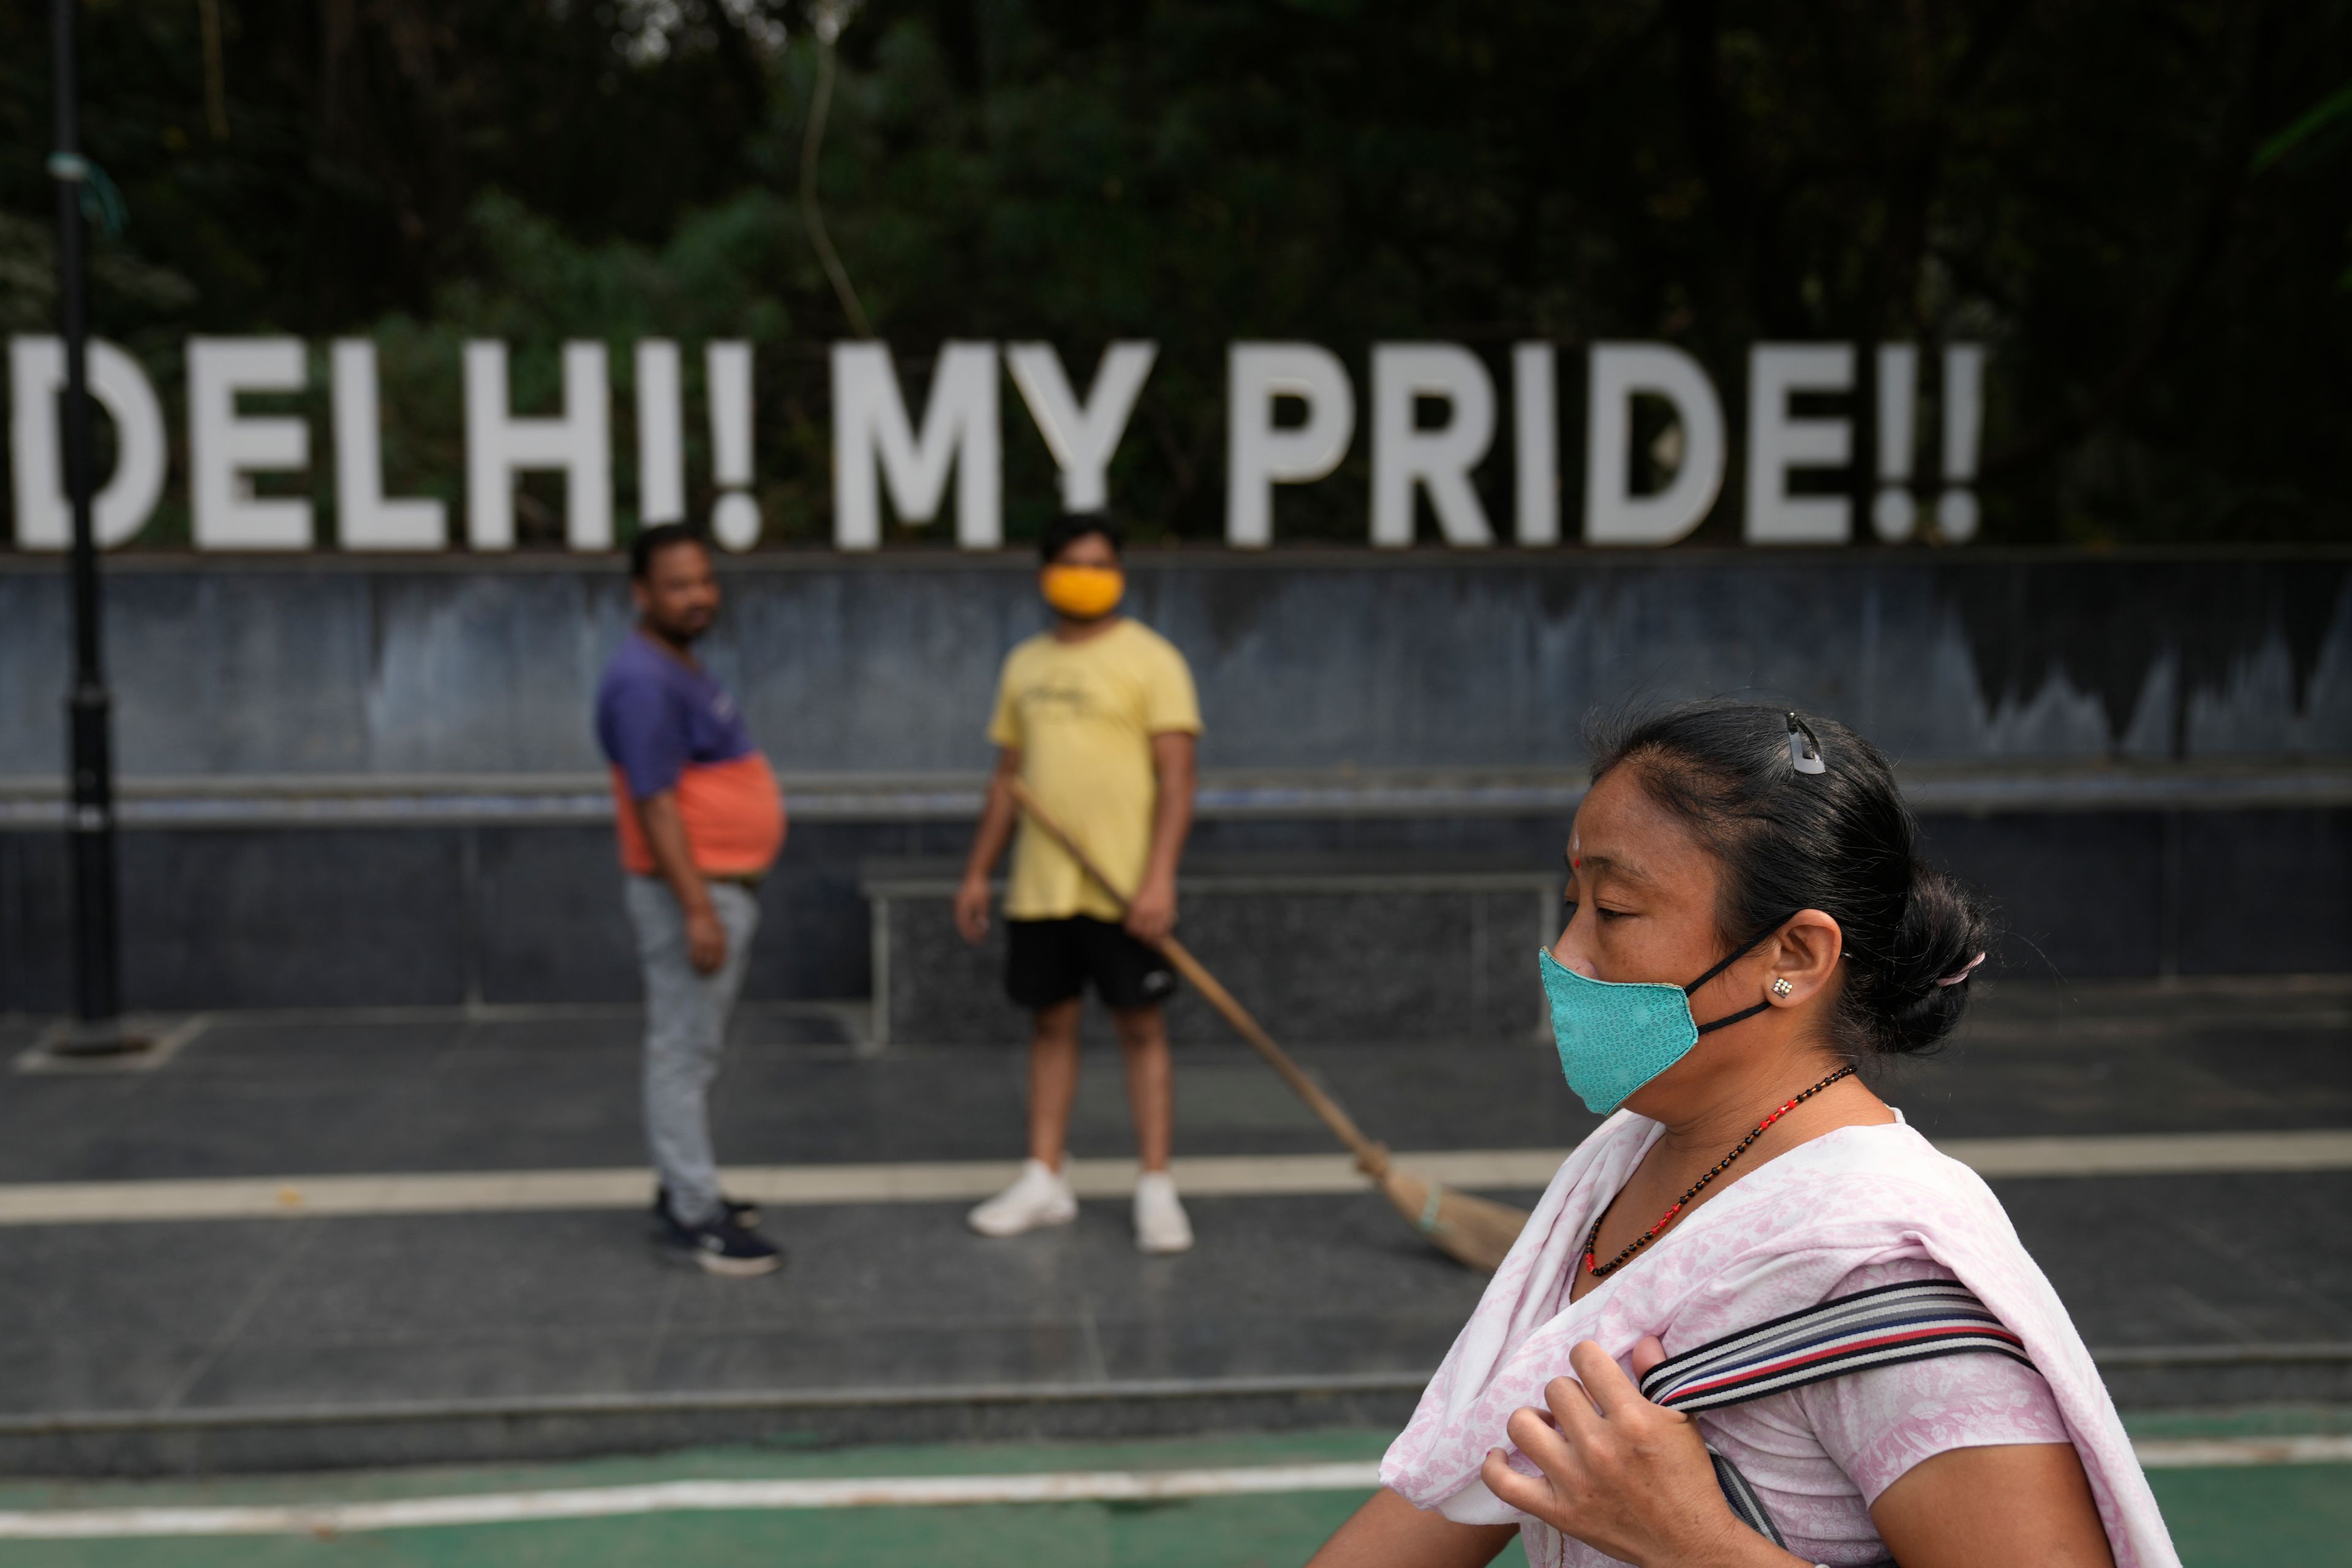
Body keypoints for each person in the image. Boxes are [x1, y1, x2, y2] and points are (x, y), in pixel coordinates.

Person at [1310, 702, 2177, 1568]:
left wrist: (1694, 1544)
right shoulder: (1630, 1161)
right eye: (1573, 901)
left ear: (1793, 958)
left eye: (1613, 910)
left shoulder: (1876, 1270)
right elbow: (1454, 1489)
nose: (1564, 956)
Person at [954, 513, 1202, 1254]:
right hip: (1041, 886)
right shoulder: (1024, 665)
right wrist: (977, 872)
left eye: (1100, 561)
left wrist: (1159, 878)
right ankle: (1044, 1176)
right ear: (1047, 574)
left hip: (1124, 890)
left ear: (1118, 571)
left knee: (1140, 1027)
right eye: (1073, 562)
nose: (1086, 573)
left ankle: (1156, 1185)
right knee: (1051, 1025)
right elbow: (1008, 781)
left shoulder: (1152, 659)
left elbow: (1179, 778)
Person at [595, 524, 788, 1278]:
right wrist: (698, 907)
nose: (699, 595)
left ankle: (685, 1186)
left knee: (693, 1050)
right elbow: (656, 804)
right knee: (681, 1052)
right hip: (692, 893)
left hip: (713, 886)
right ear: (642, 593)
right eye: (678, 584)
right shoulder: (643, 678)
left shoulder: (676, 664)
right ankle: (695, 1216)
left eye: (705, 580)